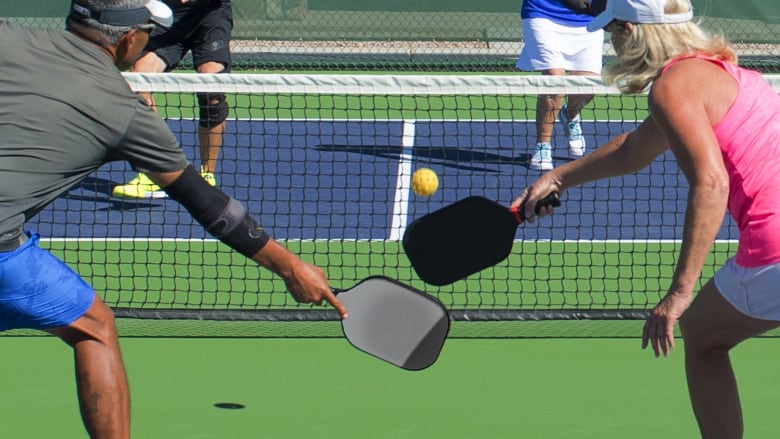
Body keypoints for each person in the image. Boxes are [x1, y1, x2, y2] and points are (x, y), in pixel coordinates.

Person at [0, 1, 347, 437]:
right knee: (95, 328)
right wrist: (291, 266)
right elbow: (207, 204)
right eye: (148, 30)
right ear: (130, 39)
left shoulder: (8, 35)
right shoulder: (126, 113)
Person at [513, 0, 780, 436]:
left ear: (634, 32)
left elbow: (711, 184)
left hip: (774, 253)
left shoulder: (672, 88)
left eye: (613, 31)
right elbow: (634, 149)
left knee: (703, 337)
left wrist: (679, 292)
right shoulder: (726, 73)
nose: (611, 43)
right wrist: (559, 177)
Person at [112, 0, 233, 198]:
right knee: (140, 78)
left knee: (212, 91)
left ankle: (206, 176)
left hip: (210, 15)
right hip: (169, 16)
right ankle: (154, 172)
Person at [516, 0, 605, 170]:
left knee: (588, 87)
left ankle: (570, 115)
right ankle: (542, 147)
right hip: (543, 13)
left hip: (589, 20)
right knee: (554, 83)